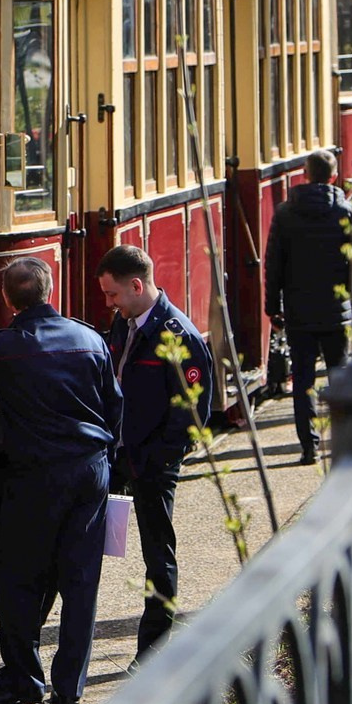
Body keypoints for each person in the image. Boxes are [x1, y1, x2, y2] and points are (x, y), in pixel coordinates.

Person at [0, 244, 118, 704]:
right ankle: (69, 687)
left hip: (36, 476)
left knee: (14, 577)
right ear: (50, 291)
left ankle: (23, 680)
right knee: (80, 582)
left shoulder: (6, 347)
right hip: (90, 469)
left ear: (9, 302)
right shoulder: (91, 340)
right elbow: (115, 407)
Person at [97, 245, 215, 659]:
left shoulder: (177, 335)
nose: (108, 304)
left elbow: (193, 410)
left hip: (151, 462)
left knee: (157, 554)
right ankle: (29, 620)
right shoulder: (122, 322)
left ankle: (153, 652)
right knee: (74, 533)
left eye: (113, 295)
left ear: (136, 285)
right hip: (117, 454)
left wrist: (160, 457)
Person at [263, 149, 352, 463]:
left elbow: (273, 264)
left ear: (304, 175)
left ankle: (309, 446)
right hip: (336, 309)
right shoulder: (345, 210)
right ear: (333, 176)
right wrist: (350, 292)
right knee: (340, 376)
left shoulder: (284, 213)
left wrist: (272, 306)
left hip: (299, 310)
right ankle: (344, 442)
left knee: (303, 378)